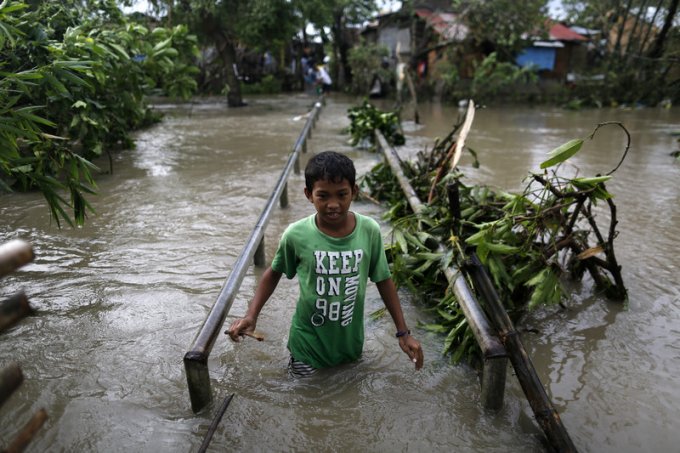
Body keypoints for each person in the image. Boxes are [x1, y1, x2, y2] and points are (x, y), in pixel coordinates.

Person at [227, 151, 424, 377]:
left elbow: (383, 279)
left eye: (342, 195)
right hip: (307, 347)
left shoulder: (369, 230)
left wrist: (403, 332)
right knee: (307, 401)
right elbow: (273, 273)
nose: (333, 204)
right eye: (323, 196)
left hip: (349, 345)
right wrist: (252, 315)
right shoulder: (296, 234)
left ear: (354, 192)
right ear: (309, 195)